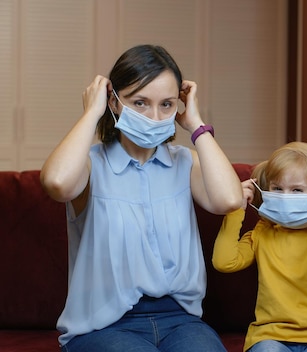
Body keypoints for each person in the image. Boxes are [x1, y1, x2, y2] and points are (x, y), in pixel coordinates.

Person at [40, 44, 242, 351]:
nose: (154, 116)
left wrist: (196, 124)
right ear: (115, 102)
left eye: (166, 104)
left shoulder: (186, 162)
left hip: (180, 321)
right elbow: (56, 183)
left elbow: (229, 200)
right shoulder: (91, 165)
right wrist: (92, 113)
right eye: (140, 102)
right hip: (103, 325)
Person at [212, 142, 307, 352]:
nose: (285, 197)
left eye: (297, 190)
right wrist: (235, 209)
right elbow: (224, 262)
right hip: (269, 335)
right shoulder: (262, 233)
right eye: (277, 189)